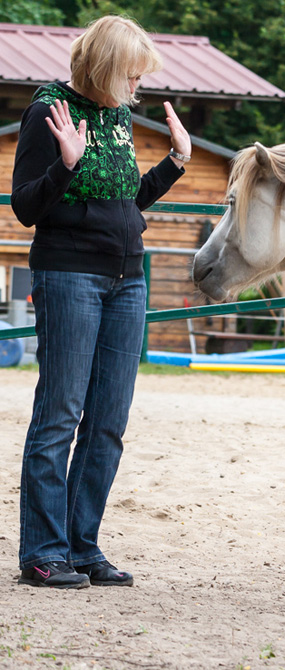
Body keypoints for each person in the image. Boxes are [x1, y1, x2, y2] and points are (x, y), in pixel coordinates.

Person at [10, 15, 191, 588]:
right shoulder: (48, 111)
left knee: (109, 421)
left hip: (127, 278)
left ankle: (81, 546)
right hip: (69, 275)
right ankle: (43, 553)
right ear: (107, 69)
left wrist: (176, 163)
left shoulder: (117, 114)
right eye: (131, 75)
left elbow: (125, 201)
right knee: (60, 415)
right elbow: (25, 207)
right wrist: (64, 165)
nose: (137, 87)